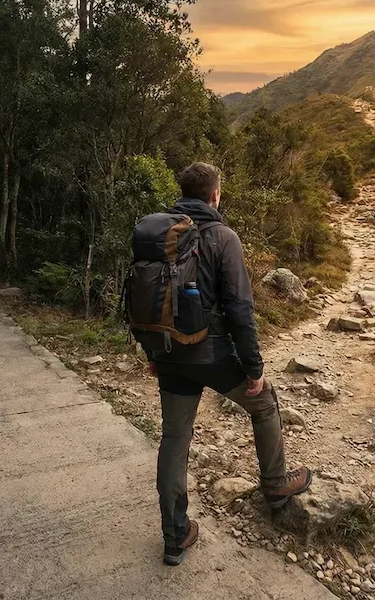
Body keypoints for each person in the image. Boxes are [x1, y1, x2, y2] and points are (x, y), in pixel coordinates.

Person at [145, 162, 312, 566]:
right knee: (264, 401)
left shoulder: (157, 234)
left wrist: (153, 353)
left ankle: (174, 535)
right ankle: (275, 484)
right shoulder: (223, 237)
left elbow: (145, 298)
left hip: (169, 354)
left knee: (174, 439)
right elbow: (240, 309)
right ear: (215, 195)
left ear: (182, 192)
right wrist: (254, 369)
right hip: (213, 356)